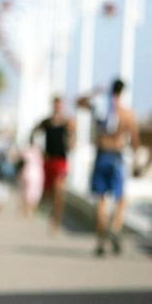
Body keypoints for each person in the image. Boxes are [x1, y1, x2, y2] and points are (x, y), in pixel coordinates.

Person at [77, 79, 140, 256]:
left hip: (101, 155)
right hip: (117, 157)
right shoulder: (126, 113)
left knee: (101, 201)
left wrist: (95, 91)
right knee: (120, 200)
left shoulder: (101, 110)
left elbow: (78, 102)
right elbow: (135, 140)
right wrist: (137, 161)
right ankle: (114, 228)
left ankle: (101, 240)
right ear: (122, 92)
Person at [30, 97, 75, 232]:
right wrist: (36, 148)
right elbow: (33, 132)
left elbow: (73, 137)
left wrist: (71, 143)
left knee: (59, 190)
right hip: (48, 160)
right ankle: (49, 213)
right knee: (49, 192)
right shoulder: (47, 122)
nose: (58, 108)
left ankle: (56, 219)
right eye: (56, 105)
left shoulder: (67, 122)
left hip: (61, 160)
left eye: (60, 105)